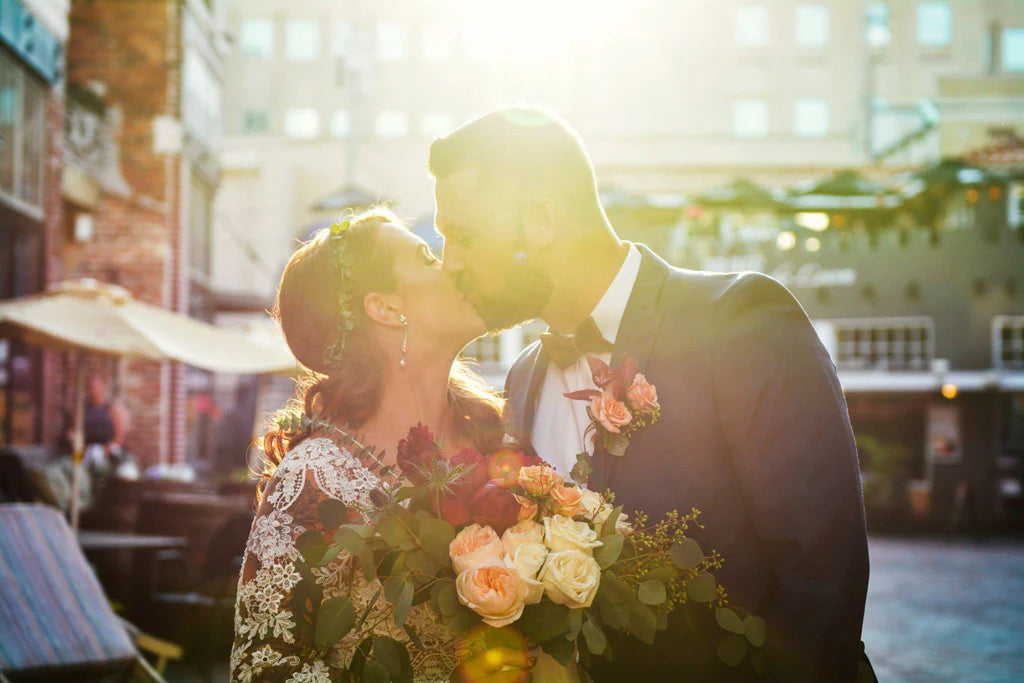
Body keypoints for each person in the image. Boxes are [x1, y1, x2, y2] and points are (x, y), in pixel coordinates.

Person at [430, 107, 871, 681]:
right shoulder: (522, 378)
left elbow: (823, 586)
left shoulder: (742, 323)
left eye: (462, 236)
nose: (450, 262)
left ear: (540, 221)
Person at [230, 209, 526, 682]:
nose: (452, 264)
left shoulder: (502, 446)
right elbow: (262, 668)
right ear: (385, 308)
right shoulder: (318, 477)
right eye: (427, 257)